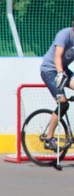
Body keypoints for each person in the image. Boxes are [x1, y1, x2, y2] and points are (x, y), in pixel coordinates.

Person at [40, 18, 74, 151]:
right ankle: (49, 138)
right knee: (63, 104)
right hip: (50, 70)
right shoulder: (64, 34)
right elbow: (57, 56)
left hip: (63, 70)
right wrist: (60, 73)